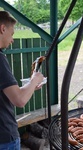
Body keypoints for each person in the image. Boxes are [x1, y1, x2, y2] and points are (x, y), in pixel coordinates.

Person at [0, 11, 44, 149]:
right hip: (4, 137)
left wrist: (31, 86)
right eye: (12, 34)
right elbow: (19, 100)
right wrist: (35, 79)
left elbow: (8, 92)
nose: (12, 40)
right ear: (2, 29)